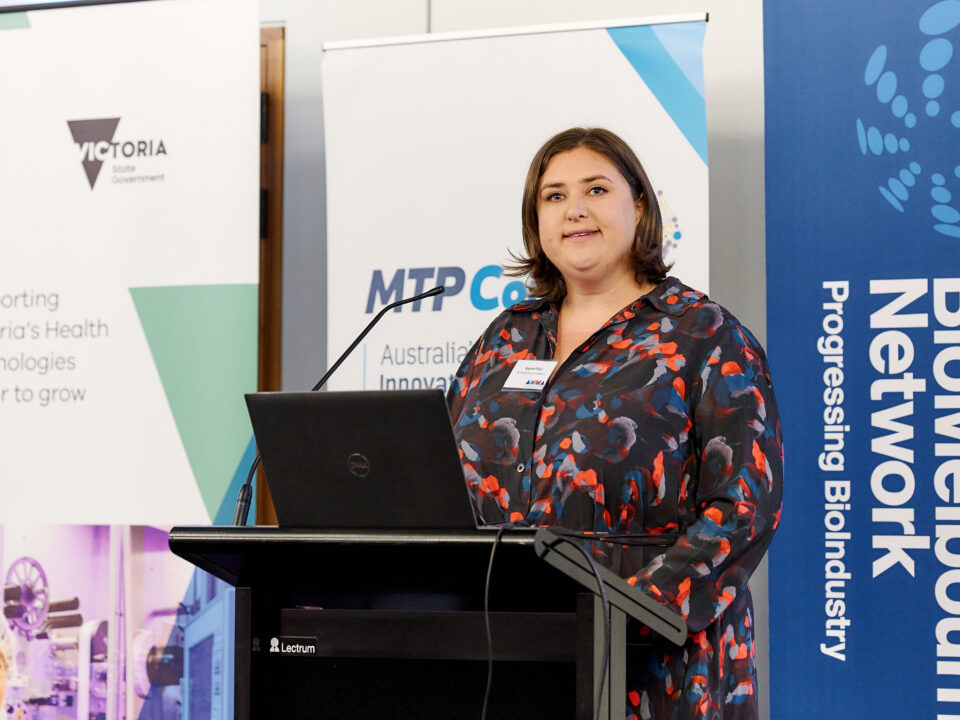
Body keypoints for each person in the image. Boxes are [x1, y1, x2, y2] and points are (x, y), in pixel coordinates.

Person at [446, 127, 782, 720]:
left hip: (657, 661)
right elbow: (445, 473)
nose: (574, 209)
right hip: (511, 653)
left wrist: (631, 608)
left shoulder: (703, 333)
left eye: (596, 189)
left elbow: (746, 503)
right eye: (554, 196)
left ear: (641, 208)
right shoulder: (505, 338)